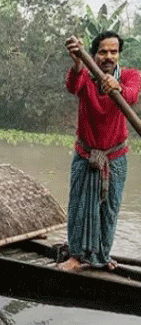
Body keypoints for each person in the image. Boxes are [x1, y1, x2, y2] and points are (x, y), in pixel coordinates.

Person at [59, 31, 140, 272]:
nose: (108, 56)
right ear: (94, 54)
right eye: (103, 51)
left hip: (115, 156)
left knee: (110, 208)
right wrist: (76, 62)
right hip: (86, 154)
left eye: (113, 52)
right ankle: (76, 256)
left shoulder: (129, 76)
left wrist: (119, 88)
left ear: (119, 55)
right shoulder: (85, 75)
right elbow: (72, 85)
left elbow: (133, 94)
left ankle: (102, 256)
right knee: (79, 206)